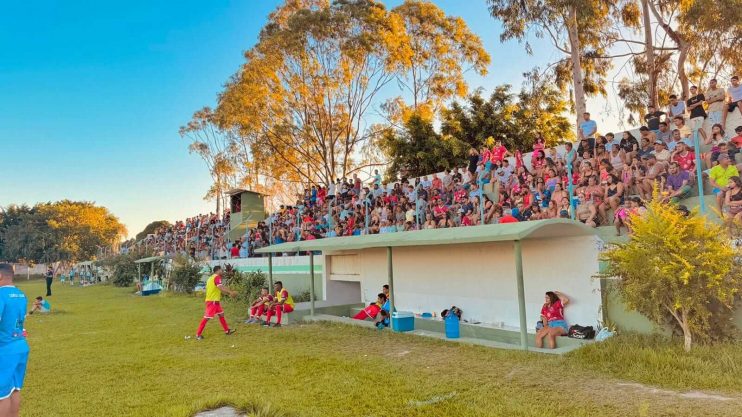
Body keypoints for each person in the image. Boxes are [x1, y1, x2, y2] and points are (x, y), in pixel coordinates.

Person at [0, 263, 29, 417]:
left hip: (4, 350)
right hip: (20, 346)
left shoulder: (0, 295)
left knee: (1, 396)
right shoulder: (21, 294)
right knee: (14, 389)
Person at [195, 266, 237, 340]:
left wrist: (228, 294)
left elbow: (218, 289)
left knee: (221, 314)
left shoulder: (210, 278)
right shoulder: (217, 277)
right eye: (221, 270)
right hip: (212, 301)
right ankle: (198, 334)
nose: (222, 271)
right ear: (217, 270)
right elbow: (221, 287)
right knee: (206, 318)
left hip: (214, 301)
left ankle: (227, 331)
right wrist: (230, 292)